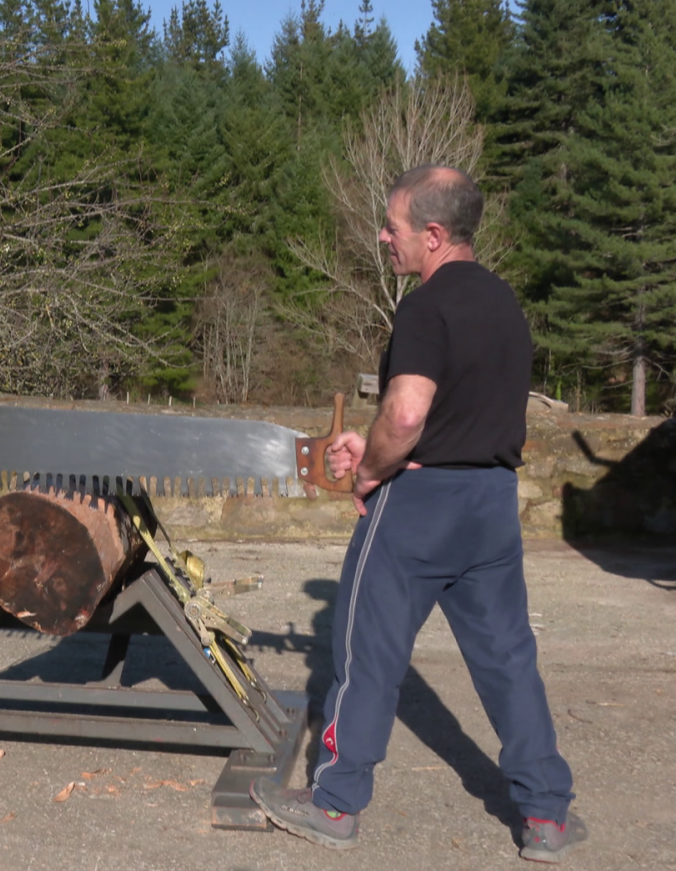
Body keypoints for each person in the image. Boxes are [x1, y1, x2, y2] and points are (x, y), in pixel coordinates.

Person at [250, 166, 584, 862]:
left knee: (366, 655)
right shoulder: (505, 303)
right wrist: (373, 443)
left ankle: (334, 804)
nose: (383, 237)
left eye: (392, 226)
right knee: (508, 660)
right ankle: (546, 816)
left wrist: (371, 469)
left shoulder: (426, 307)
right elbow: (456, 413)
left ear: (433, 235)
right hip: (491, 503)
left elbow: (407, 415)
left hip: (420, 508)